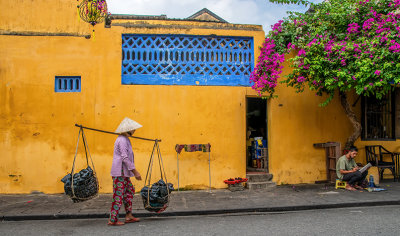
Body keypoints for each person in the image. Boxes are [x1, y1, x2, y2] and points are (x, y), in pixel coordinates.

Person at [108, 117, 143, 226]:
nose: (134, 131)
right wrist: (135, 171)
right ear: (128, 129)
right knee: (118, 195)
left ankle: (128, 215)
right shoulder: (122, 140)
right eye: (133, 129)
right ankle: (113, 220)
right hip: (120, 173)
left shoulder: (126, 139)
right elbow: (124, 157)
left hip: (124, 173)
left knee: (129, 191)